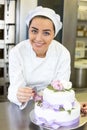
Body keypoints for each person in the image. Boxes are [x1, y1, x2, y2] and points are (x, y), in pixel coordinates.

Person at [7, 6, 71, 109]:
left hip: (52, 106)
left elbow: (61, 87)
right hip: (24, 106)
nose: (38, 39)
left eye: (46, 33)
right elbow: (15, 87)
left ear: (54, 34)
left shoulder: (62, 53)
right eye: (34, 31)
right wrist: (20, 94)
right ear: (29, 30)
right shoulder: (17, 52)